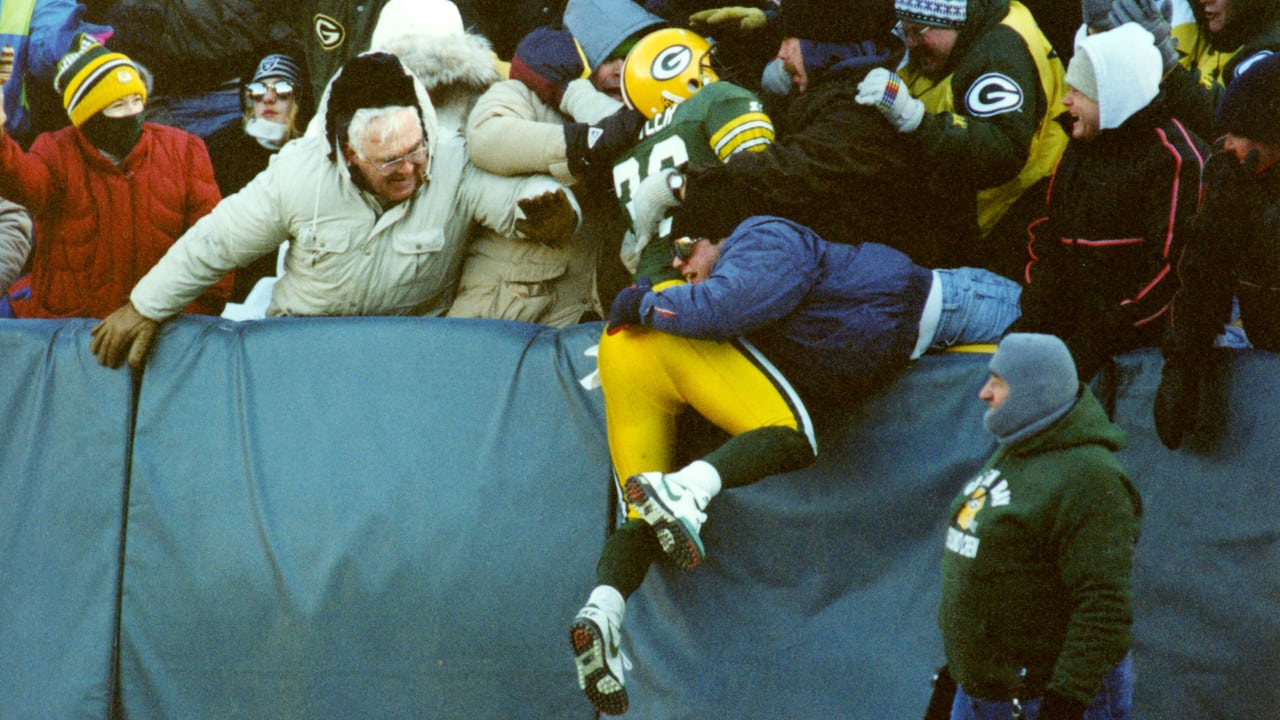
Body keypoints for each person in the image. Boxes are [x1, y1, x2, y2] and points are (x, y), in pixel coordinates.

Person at [570, 214, 1022, 715]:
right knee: (790, 435)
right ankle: (689, 489)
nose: (682, 262)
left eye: (685, 247)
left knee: (642, 508)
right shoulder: (705, 291)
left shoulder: (754, 249)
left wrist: (643, 301)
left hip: (626, 348)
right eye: (674, 258)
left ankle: (605, 606)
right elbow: (717, 309)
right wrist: (650, 302)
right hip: (924, 311)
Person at [88, 51, 580, 369]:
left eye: (416, 152)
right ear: (346, 152)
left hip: (409, 354)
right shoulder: (297, 174)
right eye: (389, 163)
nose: (409, 170)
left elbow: (516, 196)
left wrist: (552, 214)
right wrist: (145, 306)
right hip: (302, 349)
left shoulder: (452, 157)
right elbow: (217, 241)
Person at [926, 333, 1141, 720]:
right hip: (982, 693)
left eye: (997, 381)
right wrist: (955, 677)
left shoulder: (1091, 479)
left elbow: (1103, 609)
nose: (984, 393)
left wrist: (1063, 706)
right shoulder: (1018, 449)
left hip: (1039, 700)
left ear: (1033, 391)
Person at [666, 0, 971, 270]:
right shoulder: (829, 87)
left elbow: (788, 172)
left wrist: (682, 185)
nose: (781, 55)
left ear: (822, 47)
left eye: (790, 41)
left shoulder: (862, 106)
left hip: (878, 287)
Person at [1009, 22, 1208, 381]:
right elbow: (1050, 235)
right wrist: (1036, 313)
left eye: (1078, 91)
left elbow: (1175, 270)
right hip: (1079, 329)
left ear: (1112, 97)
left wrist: (1097, 337)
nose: (1066, 101)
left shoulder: (1173, 158)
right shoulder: (1082, 144)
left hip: (1138, 342)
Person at [454, 1, 663, 326]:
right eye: (609, 58)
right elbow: (486, 135)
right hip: (501, 318)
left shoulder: (655, 119)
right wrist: (582, 143)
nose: (621, 69)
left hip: (587, 326)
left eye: (633, 58)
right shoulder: (525, 93)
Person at [0, 34, 231, 319]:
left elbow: (213, 240)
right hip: (72, 328)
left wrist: (193, 317)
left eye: (137, 101)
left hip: (162, 327)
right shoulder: (54, 150)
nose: (132, 114)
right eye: (117, 106)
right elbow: (19, 182)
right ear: (88, 115)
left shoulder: (184, 150)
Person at [854, 0, 1069, 280]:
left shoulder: (999, 56)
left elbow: (1003, 148)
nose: (911, 44)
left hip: (1017, 212)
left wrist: (918, 120)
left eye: (918, 32)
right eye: (904, 32)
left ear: (953, 20)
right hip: (975, 207)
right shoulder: (963, 37)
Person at [1155, 52, 1280, 450]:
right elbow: (1201, 278)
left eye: (1242, 133)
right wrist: (1180, 370)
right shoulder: (1232, 183)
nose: (1227, 145)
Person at [203, 48, 315, 305]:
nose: (267, 98)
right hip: (236, 287)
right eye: (258, 90)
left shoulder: (315, 150)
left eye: (282, 90)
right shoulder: (222, 151)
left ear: (300, 98)